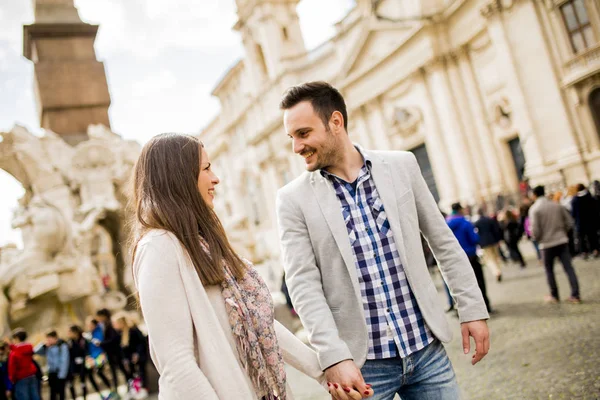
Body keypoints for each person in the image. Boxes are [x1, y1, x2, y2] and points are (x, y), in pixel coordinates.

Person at [276, 81, 489, 400]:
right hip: (362, 370)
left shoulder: (402, 165)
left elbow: (442, 241)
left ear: (336, 122)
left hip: (427, 350)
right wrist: (334, 356)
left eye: (303, 134)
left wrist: (471, 308)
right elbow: (303, 284)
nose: (296, 147)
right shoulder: (292, 200)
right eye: (291, 138)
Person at [129, 133, 367, 399]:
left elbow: (260, 324)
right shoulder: (158, 247)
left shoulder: (202, 244)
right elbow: (176, 362)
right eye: (206, 169)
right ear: (178, 177)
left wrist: (325, 374)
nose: (215, 178)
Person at [529, 185, 581, 304]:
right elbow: (569, 222)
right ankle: (575, 294)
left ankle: (554, 295)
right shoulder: (556, 204)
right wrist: (563, 233)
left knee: (549, 271)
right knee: (569, 268)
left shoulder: (534, 209)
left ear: (534, 195)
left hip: (546, 245)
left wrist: (538, 238)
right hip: (561, 240)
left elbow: (535, 231)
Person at [447, 204, 492, 313]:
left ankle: (464, 310)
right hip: (470, 256)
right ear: (460, 210)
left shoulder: (446, 224)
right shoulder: (465, 223)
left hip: (454, 258)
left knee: (459, 285)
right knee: (478, 281)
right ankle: (485, 306)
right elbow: (474, 238)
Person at [95, 308, 131, 392]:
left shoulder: (110, 324)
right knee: (115, 371)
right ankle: (116, 389)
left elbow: (114, 339)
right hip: (110, 353)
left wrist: (101, 343)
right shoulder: (104, 325)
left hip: (115, 352)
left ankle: (129, 386)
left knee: (122, 370)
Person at [112, 314, 148, 394]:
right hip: (129, 358)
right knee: (133, 374)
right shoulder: (119, 333)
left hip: (138, 356)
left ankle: (143, 388)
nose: (115, 326)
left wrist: (137, 354)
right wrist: (125, 359)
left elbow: (141, 343)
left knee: (141, 372)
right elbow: (123, 349)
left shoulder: (133, 330)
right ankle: (136, 389)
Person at [84, 318, 115, 399]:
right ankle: (100, 393)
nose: (89, 327)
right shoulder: (89, 334)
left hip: (100, 355)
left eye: (90, 325)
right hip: (92, 357)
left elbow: (99, 343)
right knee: (89, 373)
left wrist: (91, 339)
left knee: (99, 372)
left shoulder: (99, 331)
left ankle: (111, 389)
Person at [34, 330, 70, 400]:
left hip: (59, 373)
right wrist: (43, 344)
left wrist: (62, 375)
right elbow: (35, 351)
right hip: (51, 372)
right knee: (52, 393)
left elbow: (64, 361)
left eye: (49, 339)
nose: (48, 341)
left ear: (55, 338)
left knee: (61, 393)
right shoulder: (47, 347)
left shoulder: (62, 345)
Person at [7, 329, 40, 400]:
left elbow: (12, 367)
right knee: (35, 396)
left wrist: (12, 379)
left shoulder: (14, 353)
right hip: (32, 375)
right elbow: (20, 348)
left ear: (17, 338)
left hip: (20, 378)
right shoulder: (29, 348)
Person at [571, 183, 600, 258]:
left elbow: (573, 213)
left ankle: (584, 252)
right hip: (591, 221)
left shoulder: (575, 199)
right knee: (593, 237)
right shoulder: (590, 197)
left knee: (581, 238)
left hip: (580, 222)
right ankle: (595, 250)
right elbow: (596, 209)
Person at [475, 207, 504, 281]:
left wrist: (478, 242)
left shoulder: (477, 223)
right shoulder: (490, 220)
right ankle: (498, 270)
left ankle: (496, 272)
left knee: (489, 259)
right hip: (493, 240)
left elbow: (476, 233)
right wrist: (498, 240)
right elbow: (496, 230)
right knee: (496, 257)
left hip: (484, 243)